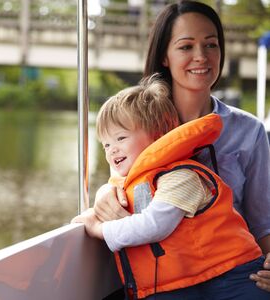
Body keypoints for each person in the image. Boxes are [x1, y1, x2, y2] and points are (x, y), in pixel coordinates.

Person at [92, 0, 270, 292]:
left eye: (211, 45)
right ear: (165, 56)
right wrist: (102, 194)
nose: (201, 56)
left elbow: (262, 222)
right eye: (186, 47)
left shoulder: (249, 131)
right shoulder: (138, 125)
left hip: (233, 275)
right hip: (166, 280)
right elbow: (123, 183)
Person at [72, 75, 267, 299]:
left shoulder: (181, 177)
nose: (111, 150)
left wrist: (97, 228)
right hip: (190, 283)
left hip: (232, 280)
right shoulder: (135, 181)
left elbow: (154, 226)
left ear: (157, 137)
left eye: (121, 138)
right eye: (106, 144)